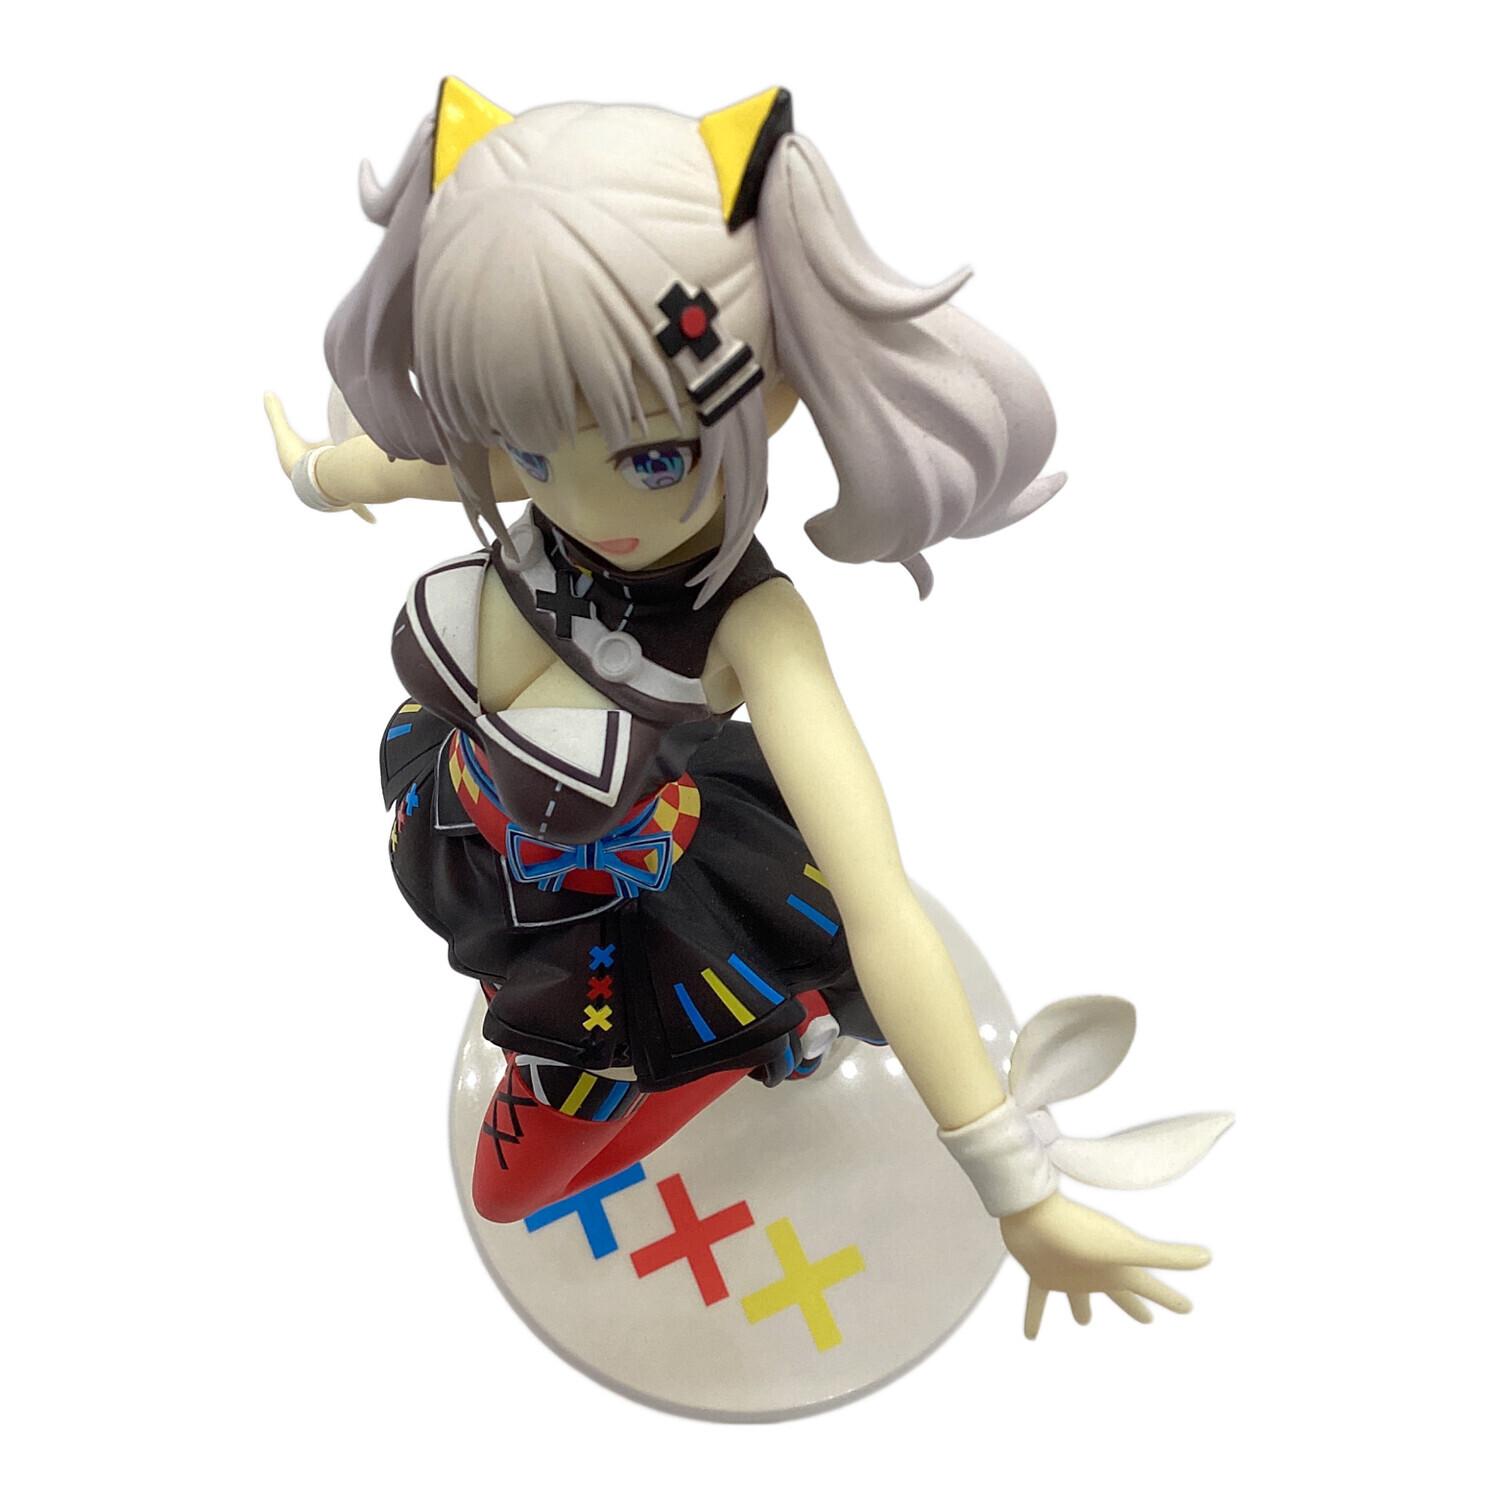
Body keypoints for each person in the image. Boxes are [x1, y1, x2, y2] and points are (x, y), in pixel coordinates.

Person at [266, 80, 1228, 1337]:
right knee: (524, 1158)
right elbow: (415, 462)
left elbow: (881, 905)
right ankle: (769, 1031)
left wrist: (1016, 1188)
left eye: (654, 456)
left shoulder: (752, 631)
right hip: (482, 841)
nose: (580, 501)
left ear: (771, 392)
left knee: (514, 1186)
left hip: (631, 933)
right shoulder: (517, 470)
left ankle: (748, 1044)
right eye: (535, 446)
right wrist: (315, 474)